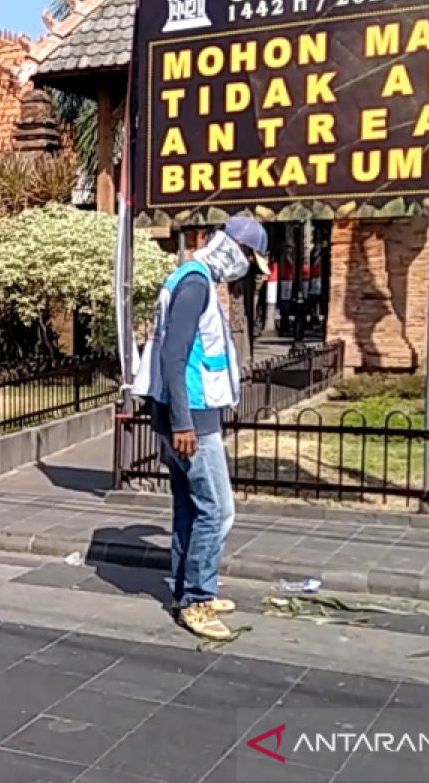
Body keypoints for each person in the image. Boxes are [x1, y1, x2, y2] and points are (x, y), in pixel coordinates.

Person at [133, 216, 267, 641]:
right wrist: (184, 424)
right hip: (191, 421)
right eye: (248, 257)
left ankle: (185, 589)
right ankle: (196, 600)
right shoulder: (195, 285)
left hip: (181, 417)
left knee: (190, 508)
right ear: (234, 249)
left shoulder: (192, 278)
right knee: (218, 511)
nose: (247, 267)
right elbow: (175, 358)